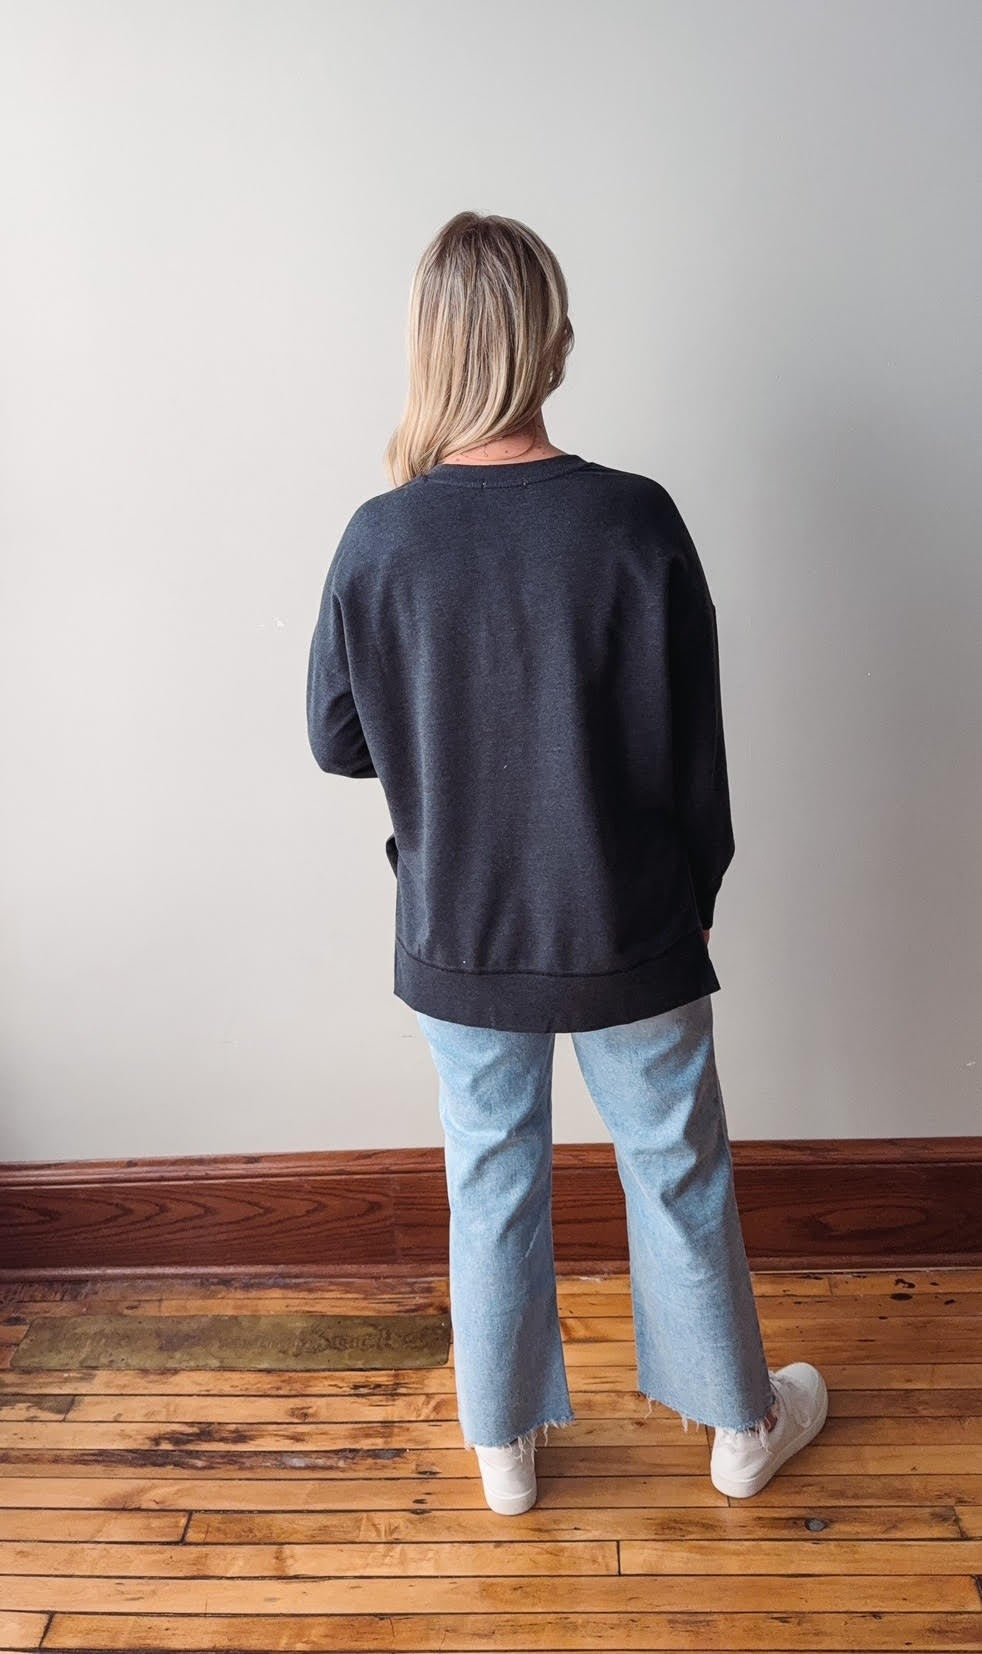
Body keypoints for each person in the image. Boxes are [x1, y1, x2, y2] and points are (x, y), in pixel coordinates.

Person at [306, 210, 828, 1516]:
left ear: (429, 351)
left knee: (489, 1171)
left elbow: (333, 738)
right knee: (675, 1164)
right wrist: (688, 900)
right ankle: (739, 1428)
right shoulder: (630, 520)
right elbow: (689, 755)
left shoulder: (381, 538)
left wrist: (449, 740)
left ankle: (503, 1451)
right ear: (552, 344)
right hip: (627, 921)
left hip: (459, 926)